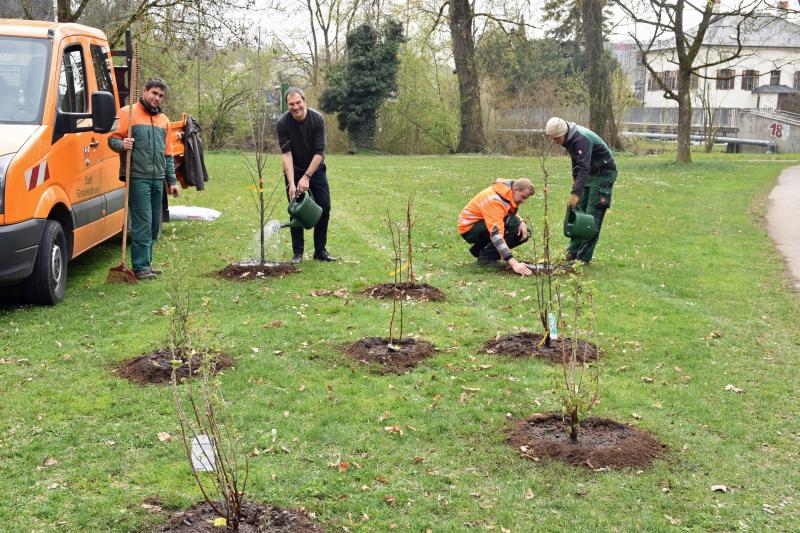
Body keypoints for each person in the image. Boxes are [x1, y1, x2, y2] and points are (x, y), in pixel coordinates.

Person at [109, 78, 180, 280]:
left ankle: (146, 264)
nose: (157, 98)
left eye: (160, 96)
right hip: (137, 176)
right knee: (142, 222)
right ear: (145, 91)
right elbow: (111, 139)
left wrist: (172, 181)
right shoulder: (127, 113)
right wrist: (122, 144)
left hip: (157, 178)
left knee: (154, 225)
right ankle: (140, 268)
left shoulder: (163, 120)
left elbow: (168, 153)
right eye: (154, 93)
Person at [545, 117, 617, 264]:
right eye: (552, 139)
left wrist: (575, 193)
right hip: (589, 174)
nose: (554, 141)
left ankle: (583, 258)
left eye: (556, 138)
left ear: (563, 132)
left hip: (603, 174)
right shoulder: (569, 139)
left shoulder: (580, 139)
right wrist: (574, 180)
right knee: (578, 213)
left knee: (591, 217)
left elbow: (584, 167)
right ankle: (572, 252)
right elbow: (577, 162)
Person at [277, 88, 336, 264]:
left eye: (298, 103)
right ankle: (297, 253)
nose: (295, 107)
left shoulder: (317, 119)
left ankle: (320, 251)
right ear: (287, 105)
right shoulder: (283, 123)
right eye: (291, 104)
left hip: (315, 169)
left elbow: (319, 152)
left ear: (304, 101)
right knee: (295, 210)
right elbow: (286, 154)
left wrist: (307, 177)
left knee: (324, 207)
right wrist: (292, 183)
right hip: (293, 170)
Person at [458, 178, 534, 276]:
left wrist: (521, 221)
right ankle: (486, 259)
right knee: (513, 223)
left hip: (482, 224)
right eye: (523, 197)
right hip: (469, 229)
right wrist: (513, 263)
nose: (523, 201)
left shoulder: (506, 192)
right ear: (515, 189)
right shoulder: (495, 200)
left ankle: (481, 250)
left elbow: (508, 208)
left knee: (524, 232)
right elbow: (496, 234)